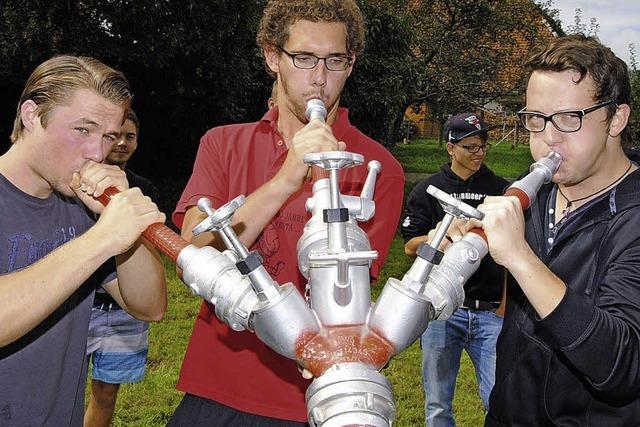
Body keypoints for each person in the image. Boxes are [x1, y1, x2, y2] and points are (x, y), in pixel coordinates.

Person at [170, 0, 405, 425]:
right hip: (217, 385)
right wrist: (285, 179)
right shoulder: (223, 144)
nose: (319, 78)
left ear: (350, 64)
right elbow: (192, 248)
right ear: (272, 57)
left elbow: (349, 300)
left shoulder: (376, 167)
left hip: (314, 400)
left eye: (335, 60)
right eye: (304, 58)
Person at [444, 35, 640, 425]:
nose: (548, 138)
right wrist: (476, 240)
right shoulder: (539, 194)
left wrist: (520, 257)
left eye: (570, 118)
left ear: (616, 118)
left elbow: (620, 367)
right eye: (536, 119)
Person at [0, 55, 167, 425]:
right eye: (83, 130)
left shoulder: (80, 207)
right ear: (31, 115)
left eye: (108, 136)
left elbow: (149, 306)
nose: (97, 152)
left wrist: (119, 219)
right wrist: (101, 240)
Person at [402, 113, 508, 426]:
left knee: (498, 399)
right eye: (470, 147)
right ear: (451, 148)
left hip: (490, 313)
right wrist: (438, 236)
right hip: (442, 310)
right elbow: (409, 247)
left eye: (483, 147)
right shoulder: (428, 190)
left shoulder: (501, 190)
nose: (479, 153)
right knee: (438, 405)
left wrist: (504, 306)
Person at [84, 109, 160, 427]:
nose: (122, 143)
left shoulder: (143, 189)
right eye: (115, 136)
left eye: (130, 136)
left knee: (106, 393)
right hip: (79, 306)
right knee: (63, 389)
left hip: (124, 312)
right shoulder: (77, 188)